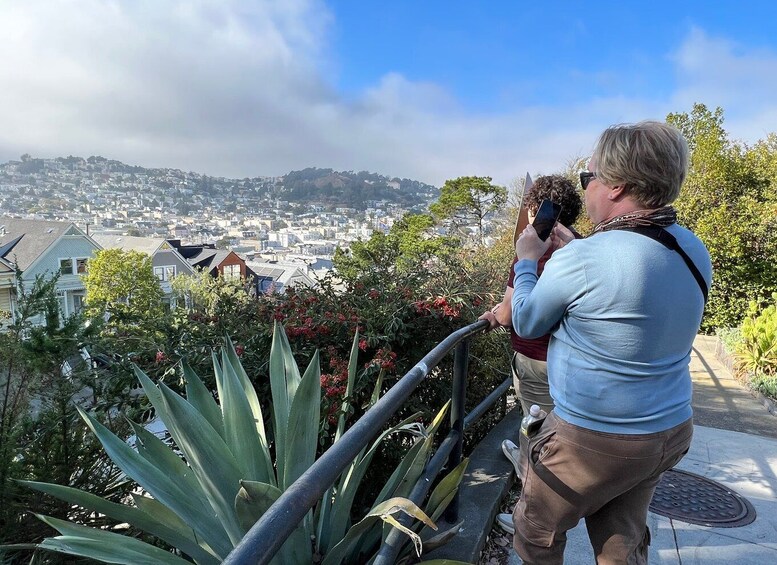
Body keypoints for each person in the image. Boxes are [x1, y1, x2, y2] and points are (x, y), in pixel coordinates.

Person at [510, 121, 711, 564]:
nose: (585, 189)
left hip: (594, 441)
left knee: (535, 529)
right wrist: (576, 250)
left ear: (616, 186)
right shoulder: (691, 247)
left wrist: (528, 261)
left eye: (589, 177)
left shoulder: (584, 258)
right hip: (668, 430)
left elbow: (525, 320)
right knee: (621, 537)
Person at [479, 175, 582, 495]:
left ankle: (532, 506)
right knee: (561, 431)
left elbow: (512, 315)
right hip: (574, 359)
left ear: (536, 211)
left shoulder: (530, 251)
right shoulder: (581, 246)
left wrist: (496, 314)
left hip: (536, 358)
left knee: (538, 430)